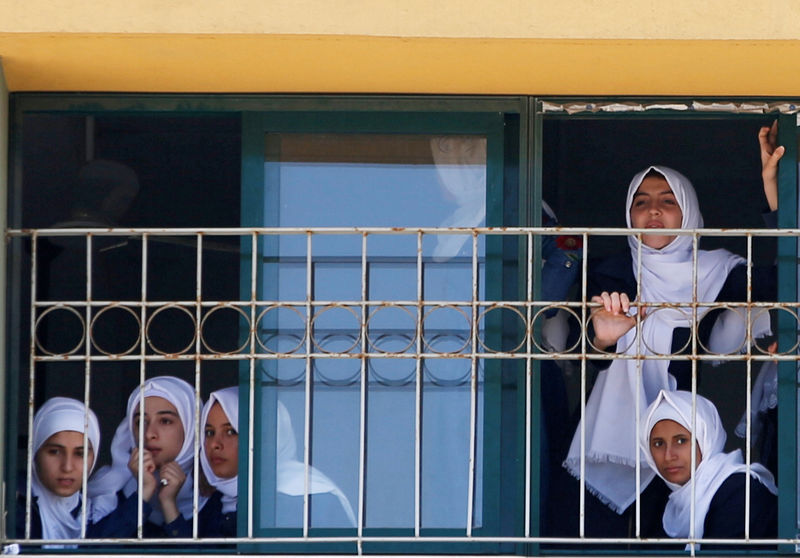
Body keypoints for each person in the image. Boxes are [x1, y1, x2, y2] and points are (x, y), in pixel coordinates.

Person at [562, 123, 782, 525]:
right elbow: (575, 350)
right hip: (610, 439)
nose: (654, 212)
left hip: (687, 445)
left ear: (689, 210)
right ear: (628, 214)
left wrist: (774, 187)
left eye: (668, 200)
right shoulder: (608, 274)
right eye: (641, 202)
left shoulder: (719, 272)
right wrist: (600, 339)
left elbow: (788, 278)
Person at [641, 390, 777, 548]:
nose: (668, 456)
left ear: (705, 438)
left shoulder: (741, 491)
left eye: (681, 441)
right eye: (658, 444)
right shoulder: (671, 504)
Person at [87, 376, 200, 537]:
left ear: (191, 428)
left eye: (165, 421)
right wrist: (144, 492)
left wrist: (168, 504)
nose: (148, 434)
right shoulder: (107, 491)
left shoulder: (213, 496)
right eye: (140, 422)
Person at [16, 397, 100, 546]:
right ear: (34, 451)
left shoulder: (95, 513)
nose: (67, 467)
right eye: (54, 452)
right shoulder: (12, 504)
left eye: (80, 454)